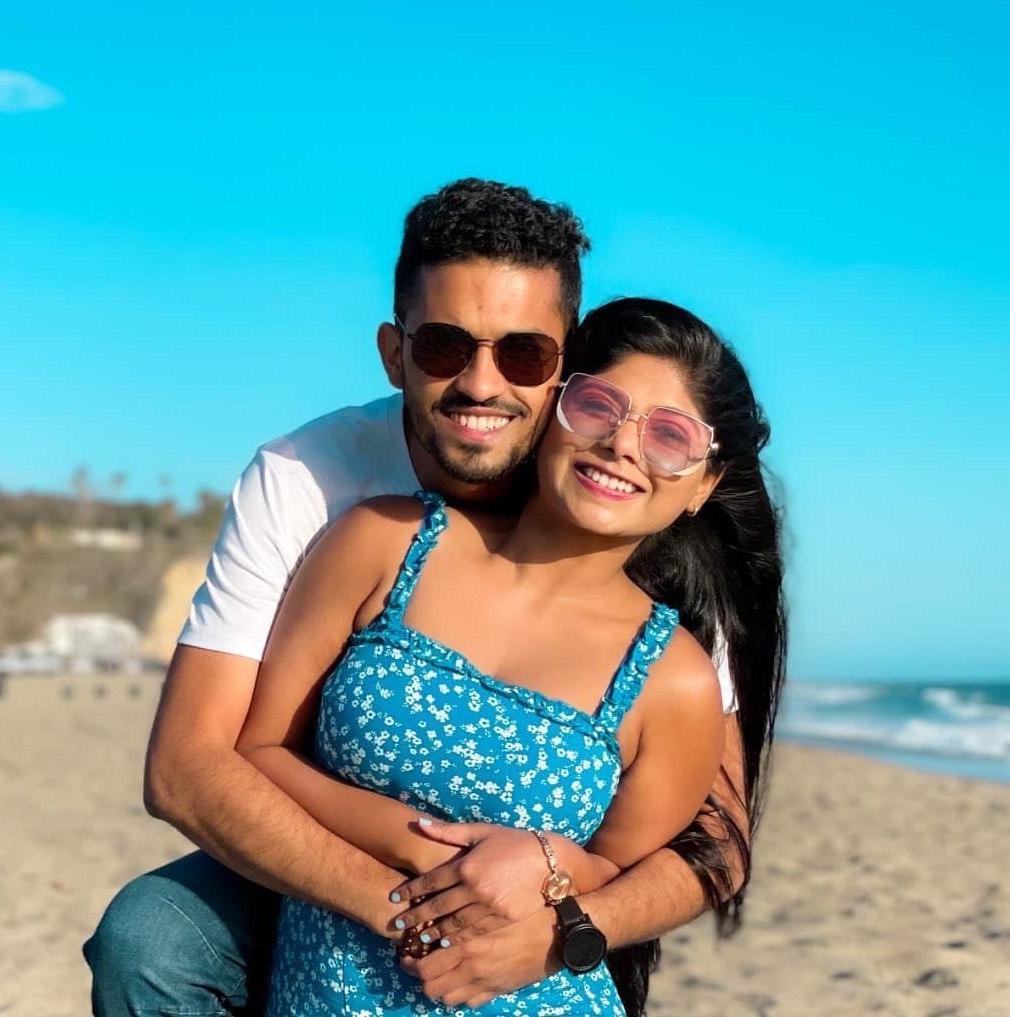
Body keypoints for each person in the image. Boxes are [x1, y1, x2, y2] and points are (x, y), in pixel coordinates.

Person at [84, 181, 760, 1015]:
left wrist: (557, 920)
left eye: (522, 354)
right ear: (394, 351)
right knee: (154, 933)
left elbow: (710, 844)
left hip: (529, 943)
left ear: (560, 369)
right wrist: (420, 907)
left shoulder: (653, 575)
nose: (482, 384)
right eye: (444, 345)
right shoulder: (323, 489)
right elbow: (192, 767)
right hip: (330, 880)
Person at [236, 294, 786, 1015]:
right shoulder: (383, 543)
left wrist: (550, 866)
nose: (623, 445)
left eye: (670, 437)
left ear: (702, 486)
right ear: (552, 409)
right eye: (598, 406)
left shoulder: (672, 678)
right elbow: (260, 751)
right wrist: (427, 854)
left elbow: (622, 868)